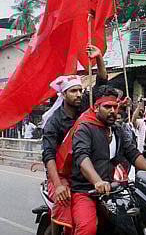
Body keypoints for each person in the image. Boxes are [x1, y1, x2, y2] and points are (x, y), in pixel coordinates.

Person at [41, 45, 107, 235]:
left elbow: (101, 84)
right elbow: (49, 156)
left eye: (80, 90)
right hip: (61, 174)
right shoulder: (53, 123)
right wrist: (59, 184)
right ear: (63, 95)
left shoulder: (85, 106)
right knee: (63, 200)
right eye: (73, 91)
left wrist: (99, 58)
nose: (78, 94)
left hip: (86, 170)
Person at [71, 85, 146, 235]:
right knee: (87, 229)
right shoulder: (85, 129)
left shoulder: (118, 130)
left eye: (115, 107)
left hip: (113, 191)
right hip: (86, 191)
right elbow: (82, 157)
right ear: (96, 108)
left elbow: (134, 154)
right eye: (107, 107)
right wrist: (97, 181)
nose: (112, 111)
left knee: (134, 225)